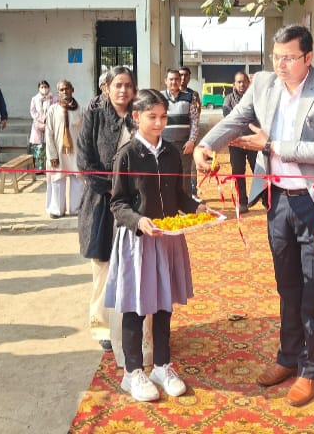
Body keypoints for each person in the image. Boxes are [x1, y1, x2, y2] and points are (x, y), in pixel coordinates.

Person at [194, 24, 314, 407]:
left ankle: (311, 369)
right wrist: (205, 144)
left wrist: (273, 145)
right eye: (276, 57)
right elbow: (236, 119)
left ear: (308, 57)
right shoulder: (264, 83)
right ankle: (288, 356)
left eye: (289, 58)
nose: (280, 65)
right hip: (278, 200)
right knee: (287, 286)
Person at [107, 89, 206, 402]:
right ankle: (132, 372)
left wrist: (198, 207)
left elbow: (179, 194)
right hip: (138, 240)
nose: (159, 123)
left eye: (163, 117)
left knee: (164, 305)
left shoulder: (172, 153)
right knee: (135, 307)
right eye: (153, 117)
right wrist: (138, 220)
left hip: (167, 239)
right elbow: (118, 203)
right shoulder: (127, 155)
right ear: (137, 117)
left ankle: (162, 366)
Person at [77, 67, 137, 357]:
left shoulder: (138, 117)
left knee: (131, 265)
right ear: (107, 88)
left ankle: (129, 325)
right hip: (100, 203)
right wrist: (113, 189)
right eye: (118, 85)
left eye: (128, 85)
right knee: (103, 267)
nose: (123, 91)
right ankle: (101, 327)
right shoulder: (94, 116)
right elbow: (84, 163)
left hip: (134, 204)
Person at [45, 80, 84, 219]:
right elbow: (48, 134)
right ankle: (57, 210)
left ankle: (76, 209)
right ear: (58, 92)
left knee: (78, 180)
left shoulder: (80, 110)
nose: (65, 91)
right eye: (61, 90)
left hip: (76, 152)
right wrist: (52, 155)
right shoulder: (53, 110)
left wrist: (84, 154)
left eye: (67, 88)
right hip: (58, 152)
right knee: (57, 180)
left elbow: (84, 133)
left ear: (72, 89)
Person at [161, 69, 199, 198]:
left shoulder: (189, 97)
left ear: (180, 80)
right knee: (166, 173)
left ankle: (185, 201)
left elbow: (194, 120)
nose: (174, 82)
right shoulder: (159, 97)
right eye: (171, 79)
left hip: (184, 144)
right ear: (166, 81)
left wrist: (191, 141)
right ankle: (168, 201)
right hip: (164, 144)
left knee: (185, 174)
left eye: (176, 79)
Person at [222, 71, 257, 214]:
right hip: (235, 142)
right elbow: (229, 119)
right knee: (238, 172)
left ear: (248, 83)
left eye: (244, 81)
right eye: (239, 82)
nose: (242, 84)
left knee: (258, 171)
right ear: (234, 84)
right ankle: (242, 201)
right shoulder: (228, 99)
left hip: (253, 141)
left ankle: (264, 199)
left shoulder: (255, 97)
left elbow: (257, 117)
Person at [179, 66, 202, 198]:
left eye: (186, 75)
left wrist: (192, 138)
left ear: (189, 77)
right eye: (181, 75)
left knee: (191, 166)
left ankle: (192, 191)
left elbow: (196, 116)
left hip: (190, 137)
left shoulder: (194, 95)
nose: (183, 78)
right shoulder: (170, 95)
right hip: (175, 137)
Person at [29, 80, 55, 172]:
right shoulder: (35, 99)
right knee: (38, 147)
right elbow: (33, 111)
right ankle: (39, 168)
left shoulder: (53, 99)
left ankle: (49, 168)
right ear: (39, 88)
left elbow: (54, 111)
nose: (44, 89)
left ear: (48, 87)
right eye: (42, 87)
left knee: (49, 146)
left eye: (45, 87)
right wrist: (41, 120)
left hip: (49, 124)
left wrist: (47, 120)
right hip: (38, 125)